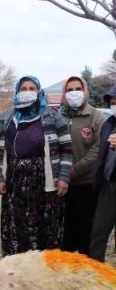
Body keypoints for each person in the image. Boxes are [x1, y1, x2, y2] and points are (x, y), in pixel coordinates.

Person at [0, 76, 72, 256]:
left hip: (44, 180)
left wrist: (64, 177)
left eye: (31, 88)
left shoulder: (52, 116)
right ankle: (16, 265)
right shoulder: (7, 117)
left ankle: (44, 267)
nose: (27, 92)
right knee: (16, 223)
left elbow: (66, 148)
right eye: (24, 88)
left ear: (39, 91)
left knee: (45, 225)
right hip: (15, 180)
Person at [58, 76, 104, 256]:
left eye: (78, 88)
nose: (74, 93)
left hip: (86, 182)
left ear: (85, 91)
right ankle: (66, 268)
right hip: (62, 184)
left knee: (86, 228)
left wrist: (75, 169)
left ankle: (86, 267)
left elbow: (99, 147)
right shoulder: (58, 115)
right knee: (65, 229)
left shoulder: (95, 116)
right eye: (69, 90)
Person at [89, 86, 116, 261]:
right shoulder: (109, 123)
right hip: (108, 185)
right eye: (112, 103)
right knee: (98, 234)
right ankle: (95, 277)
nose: (114, 106)